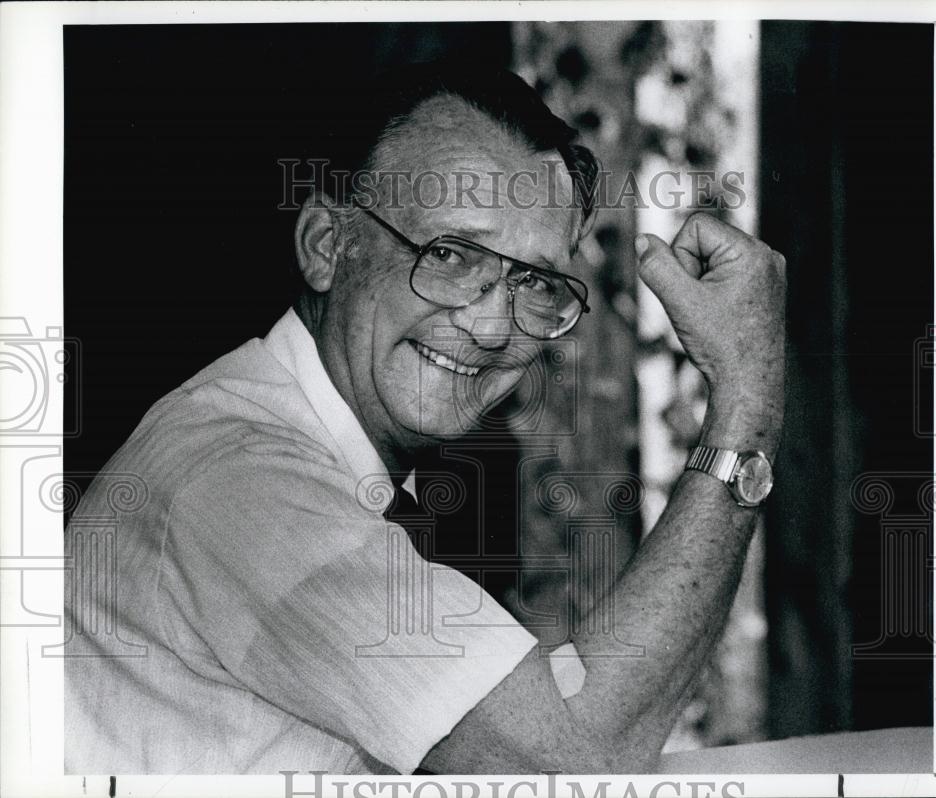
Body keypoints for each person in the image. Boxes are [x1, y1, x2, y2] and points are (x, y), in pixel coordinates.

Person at [64, 64, 785, 775]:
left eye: (533, 282)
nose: (491, 326)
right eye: (449, 254)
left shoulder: (295, 439)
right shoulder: (240, 483)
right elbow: (575, 757)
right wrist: (747, 398)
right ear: (327, 246)